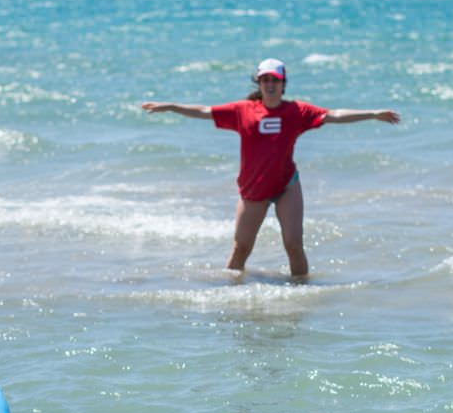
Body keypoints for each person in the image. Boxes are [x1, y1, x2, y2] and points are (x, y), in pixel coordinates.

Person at [141, 58, 399, 279]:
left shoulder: (297, 111)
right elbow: (205, 111)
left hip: (287, 185)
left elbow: (334, 115)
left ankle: (302, 292)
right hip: (254, 189)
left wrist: (373, 114)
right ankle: (230, 294)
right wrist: (172, 107)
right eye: (265, 80)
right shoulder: (243, 110)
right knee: (241, 248)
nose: (270, 85)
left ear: (283, 83)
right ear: (259, 84)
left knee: (294, 245)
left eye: (274, 80)